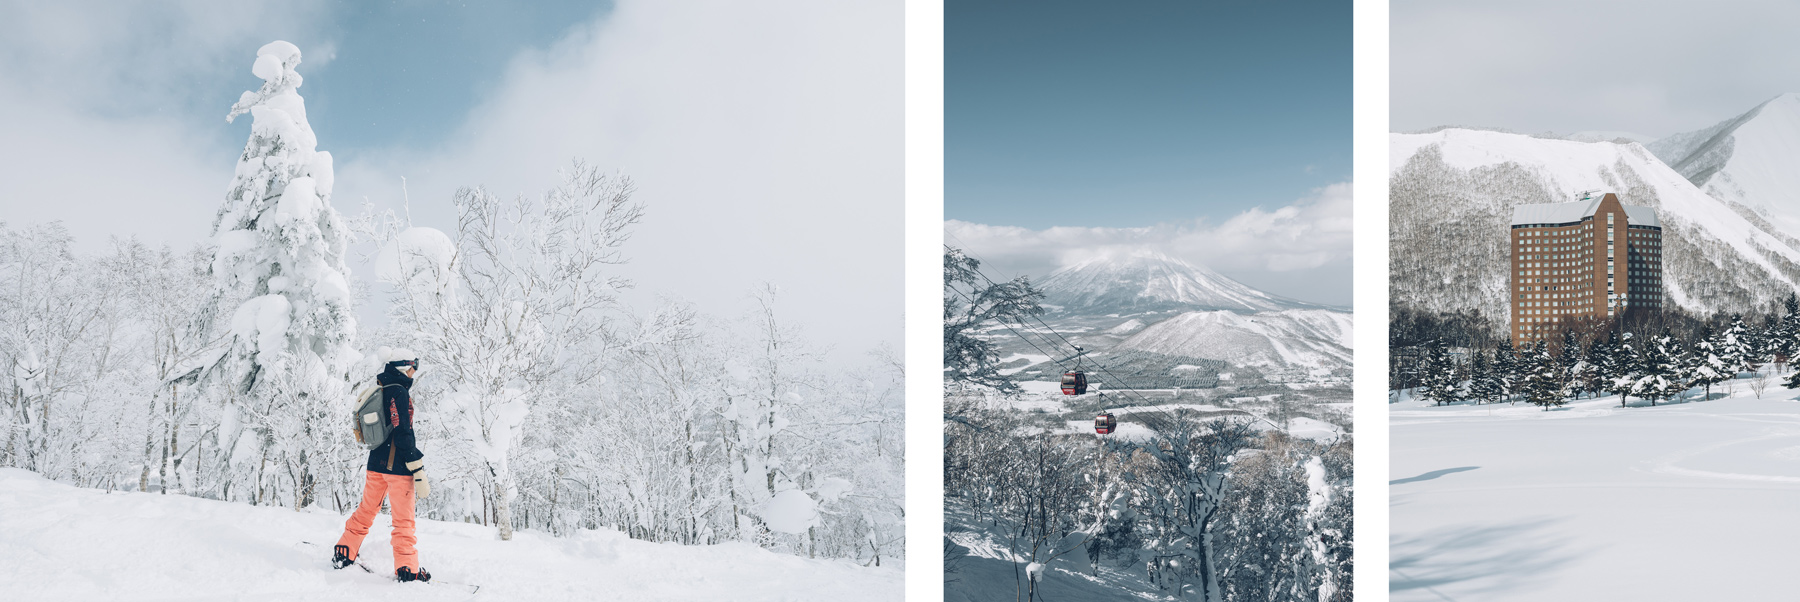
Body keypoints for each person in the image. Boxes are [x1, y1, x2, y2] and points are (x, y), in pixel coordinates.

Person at [332, 349, 432, 582]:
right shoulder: (399, 392)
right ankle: (407, 569)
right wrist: (416, 467)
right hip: (397, 468)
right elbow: (403, 431)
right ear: (401, 367)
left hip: (375, 464)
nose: (413, 372)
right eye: (411, 367)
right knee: (403, 521)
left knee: (366, 510)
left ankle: (344, 551)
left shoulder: (380, 390)